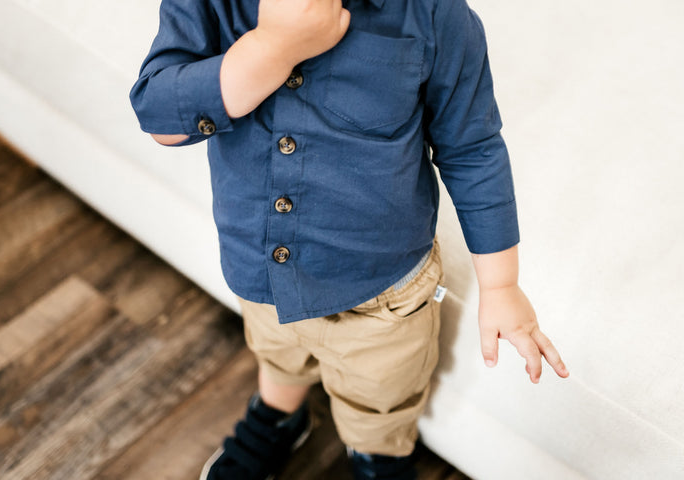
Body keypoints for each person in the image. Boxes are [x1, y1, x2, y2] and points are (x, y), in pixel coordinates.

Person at [130, 0, 570, 478]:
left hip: (384, 295)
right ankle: (279, 416)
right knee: (279, 359)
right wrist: (272, 48)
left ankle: (376, 455)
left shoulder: (436, 15)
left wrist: (501, 286)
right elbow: (160, 117)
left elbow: (473, 149)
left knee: (381, 401)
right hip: (260, 273)